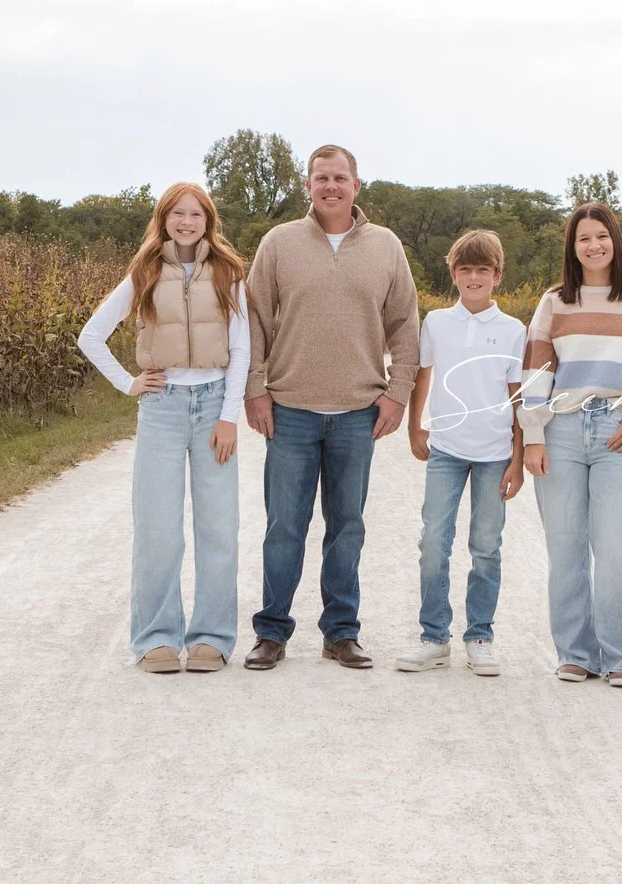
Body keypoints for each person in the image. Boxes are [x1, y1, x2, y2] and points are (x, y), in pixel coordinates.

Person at [240, 144, 421, 671]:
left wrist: (397, 393)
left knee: (347, 526)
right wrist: (256, 386)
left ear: (356, 185)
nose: (331, 186)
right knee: (284, 526)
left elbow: (406, 324)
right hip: (291, 408)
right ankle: (271, 631)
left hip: (358, 411)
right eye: (321, 178)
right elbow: (252, 319)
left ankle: (341, 632)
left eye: (340, 177)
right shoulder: (278, 243)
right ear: (308, 186)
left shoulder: (385, 246)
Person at [77, 181, 250, 672]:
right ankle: (155, 638)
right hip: (163, 408)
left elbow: (242, 349)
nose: (187, 222)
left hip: (215, 404)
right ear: (164, 219)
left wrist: (230, 417)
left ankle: (211, 639)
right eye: (177, 213)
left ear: (208, 220)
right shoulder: (145, 271)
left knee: (218, 526)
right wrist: (128, 384)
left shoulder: (230, 273)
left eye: (196, 214)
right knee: (157, 528)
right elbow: (91, 335)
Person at [519, 201, 622, 687]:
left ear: (616, 241)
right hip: (562, 431)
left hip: (618, 432)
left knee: (618, 547)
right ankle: (576, 653)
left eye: (601, 236)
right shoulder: (554, 302)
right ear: (572, 246)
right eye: (583, 238)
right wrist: (534, 438)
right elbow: (535, 376)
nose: (593, 245)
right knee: (565, 547)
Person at [395, 229, 525, 676]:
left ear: (497, 276)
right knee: (433, 541)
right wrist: (415, 427)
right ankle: (434, 637)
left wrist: (518, 457)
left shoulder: (513, 331)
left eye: (482, 271)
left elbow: (517, 397)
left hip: (494, 453)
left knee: (486, 545)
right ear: (453, 274)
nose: (474, 277)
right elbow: (422, 376)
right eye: (465, 269)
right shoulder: (436, 323)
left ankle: (480, 636)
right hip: (446, 449)